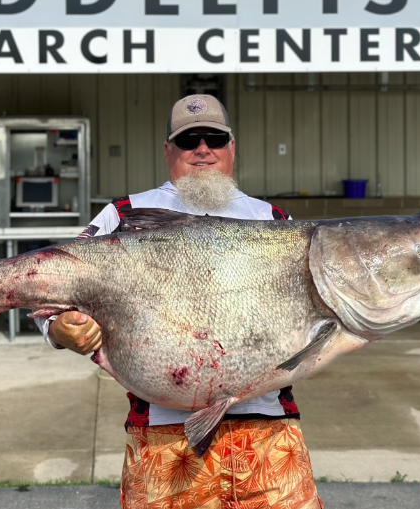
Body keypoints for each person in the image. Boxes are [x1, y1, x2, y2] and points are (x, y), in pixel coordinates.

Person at [37, 94, 323, 508]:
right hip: (162, 438)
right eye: (189, 140)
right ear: (168, 150)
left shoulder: (274, 221)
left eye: (215, 138)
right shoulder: (124, 215)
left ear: (232, 148)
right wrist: (59, 329)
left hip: (269, 435)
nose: (203, 149)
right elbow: (47, 286)